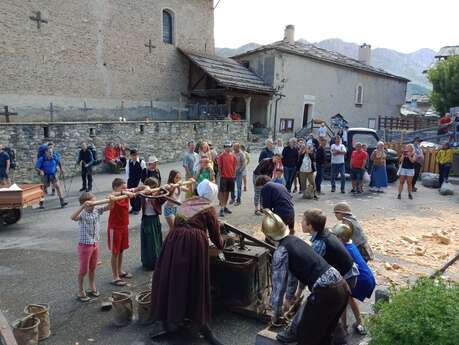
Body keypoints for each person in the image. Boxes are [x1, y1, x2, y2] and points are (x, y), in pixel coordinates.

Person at [149, 179, 224, 344]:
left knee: (175, 278)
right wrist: (222, 244)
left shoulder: (187, 202)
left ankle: (171, 317)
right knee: (194, 280)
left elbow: (177, 222)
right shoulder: (208, 208)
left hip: (174, 241)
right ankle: (199, 323)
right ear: (211, 194)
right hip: (193, 244)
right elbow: (216, 236)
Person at [261, 210, 350, 345]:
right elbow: (293, 275)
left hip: (326, 291)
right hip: (342, 286)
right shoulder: (294, 240)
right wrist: (289, 298)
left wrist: (275, 313)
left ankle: (293, 333)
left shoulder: (281, 252)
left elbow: (279, 286)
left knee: (306, 335)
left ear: (268, 235)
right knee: (326, 333)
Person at [333, 223, 376, 335]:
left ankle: (344, 327)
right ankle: (359, 323)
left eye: (335, 236)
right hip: (367, 277)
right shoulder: (350, 244)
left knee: (343, 299)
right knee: (349, 299)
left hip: (360, 279)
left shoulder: (345, 250)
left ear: (341, 238)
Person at [71, 192, 111, 302]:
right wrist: (82, 207)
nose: (94, 204)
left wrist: (110, 199)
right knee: (83, 270)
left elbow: (109, 206)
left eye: (94, 201)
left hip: (95, 243)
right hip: (85, 245)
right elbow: (72, 217)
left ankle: (92, 286)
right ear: (85, 204)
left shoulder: (97, 210)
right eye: (92, 202)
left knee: (93, 267)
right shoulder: (82, 213)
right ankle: (80, 290)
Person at [107, 178, 138, 286]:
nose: (125, 190)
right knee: (115, 252)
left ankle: (120, 271)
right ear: (115, 187)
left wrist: (146, 188)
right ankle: (115, 277)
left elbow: (139, 188)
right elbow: (110, 196)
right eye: (122, 188)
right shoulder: (114, 195)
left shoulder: (126, 193)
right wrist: (124, 192)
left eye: (125, 187)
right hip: (114, 228)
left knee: (121, 250)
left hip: (124, 226)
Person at [140, 178, 167, 271]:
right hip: (147, 220)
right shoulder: (143, 195)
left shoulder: (157, 195)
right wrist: (151, 192)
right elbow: (148, 199)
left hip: (155, 219)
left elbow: (162, 199)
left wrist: (163, 190)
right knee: (150, 242)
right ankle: (149, 262)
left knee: (157, 241)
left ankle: (158, 261)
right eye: (154, 187)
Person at [217, 140, 237, 217]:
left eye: (229, 146)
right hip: (224, 177)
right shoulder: (221, 156)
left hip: (231, 177)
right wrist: (221, 176)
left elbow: (234, 167)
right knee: (222, 193)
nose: (228, 148)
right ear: (224, 147)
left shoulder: (233, 156)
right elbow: (219, 167)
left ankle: (224, 206)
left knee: (228, 192)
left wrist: (234, 175)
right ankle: (222, 208)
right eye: (226, 147)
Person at [125, 149, 147, 214]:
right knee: (131, 195)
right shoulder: (128, 162)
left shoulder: (141, 162)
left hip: (138, 181)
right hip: (131, 180)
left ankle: (137, 209)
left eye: (135, 155)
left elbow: (144, 172)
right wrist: (127, 181)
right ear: (130, 156)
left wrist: (142, 182)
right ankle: (133, 207)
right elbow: (127, 172)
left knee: (137, 195)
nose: (134, 157)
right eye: (132, 155)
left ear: (137, 155)